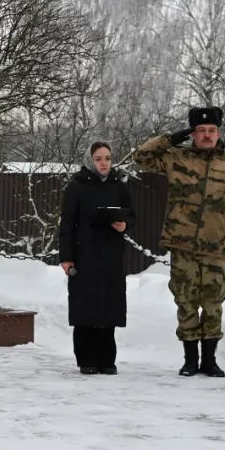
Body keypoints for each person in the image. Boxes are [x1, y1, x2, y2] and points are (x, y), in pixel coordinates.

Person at [132, 106, 225, 377]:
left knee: (213, 304)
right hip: (183, 245)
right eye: (200, 131)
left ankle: (209, 361)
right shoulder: (177, 159)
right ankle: (189, 360)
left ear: (218, 132)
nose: (207, 136)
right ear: (193, 134)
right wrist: (171, 138)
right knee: (185, 301)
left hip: (217, 247)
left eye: (211, 131)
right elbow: (141, 156)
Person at [58, 141, 136, 375]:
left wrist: (125, 224)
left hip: (111, 254)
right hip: (85, 254)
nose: (104, 163)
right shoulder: (77, 187)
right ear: (90, 160)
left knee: (108, 306)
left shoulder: (118, 186)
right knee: (86, 305)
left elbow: (131, 215)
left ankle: (107, 358)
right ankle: (86, 358)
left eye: (108, 158)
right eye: (99, 159)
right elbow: (67, 224)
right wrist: (66, 257)